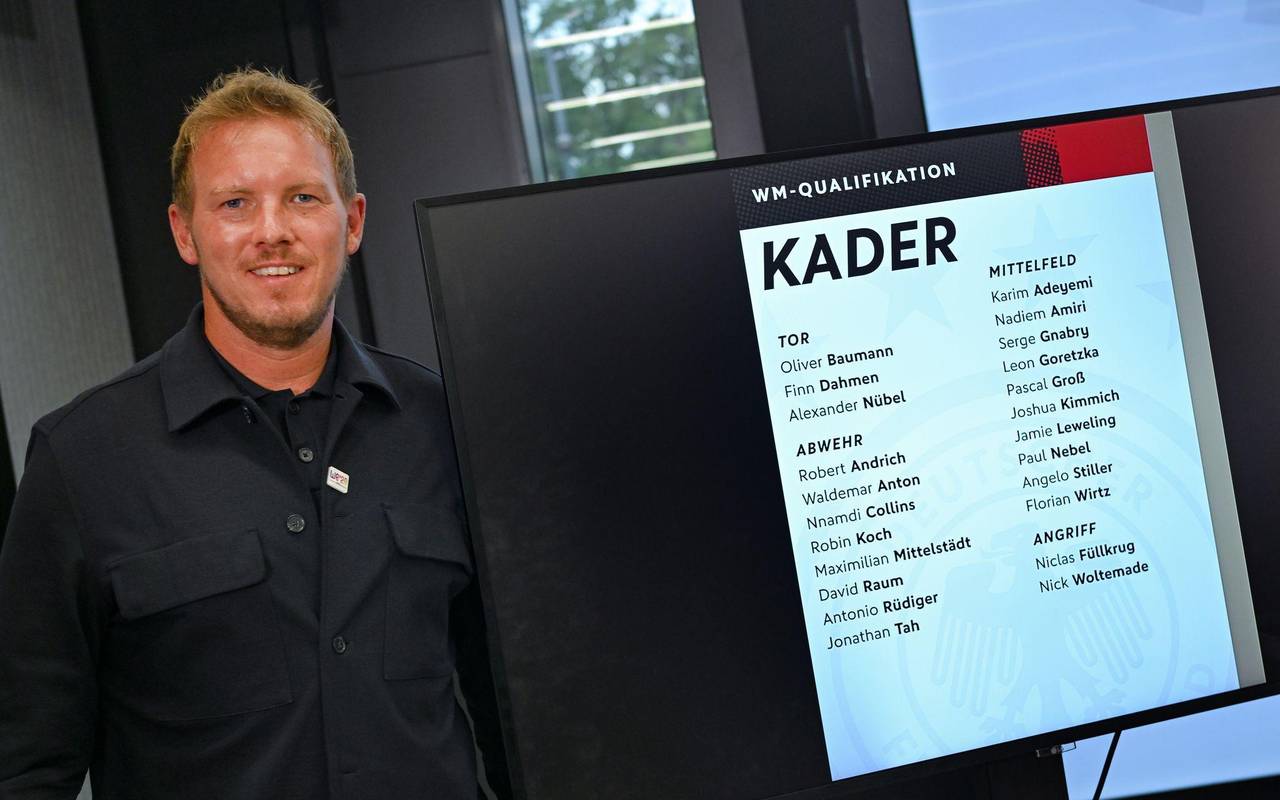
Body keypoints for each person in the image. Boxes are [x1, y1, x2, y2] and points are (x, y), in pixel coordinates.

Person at [0, 68, 509, 799]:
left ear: (353, 220)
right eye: (235, 203)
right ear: (185, 231)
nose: (273, 230)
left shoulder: (444, 424)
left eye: (303, 197)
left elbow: (514, 705)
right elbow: (24, 765)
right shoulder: (83, 460)